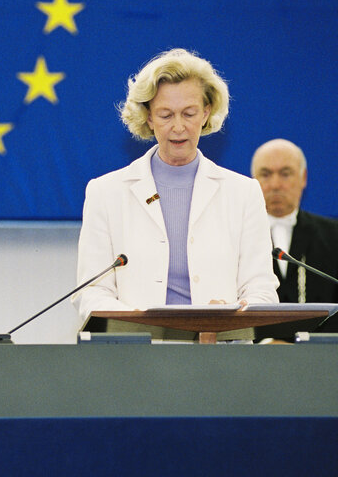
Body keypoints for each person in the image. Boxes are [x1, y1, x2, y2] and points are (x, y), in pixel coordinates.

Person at [73, 48, 278, 340]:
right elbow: (92, 292)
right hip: (135, 358)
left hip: (220, 354)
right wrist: (139, 325)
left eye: (189, 113)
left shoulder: (243, 193)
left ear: (206, 112)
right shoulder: (105, 193)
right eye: (166, 115)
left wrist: (231, 316)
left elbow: (262, 290)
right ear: (148, 117)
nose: (178, 127)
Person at [251, 139, 338, 336]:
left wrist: (307, 347)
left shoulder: (336, 235)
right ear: (252, 180)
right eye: (266, 174)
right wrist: (265, 344)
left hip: (318, 360)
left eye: (285, 174)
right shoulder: (235, 235)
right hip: (251, 358)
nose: (275, 184)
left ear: (303, 178)